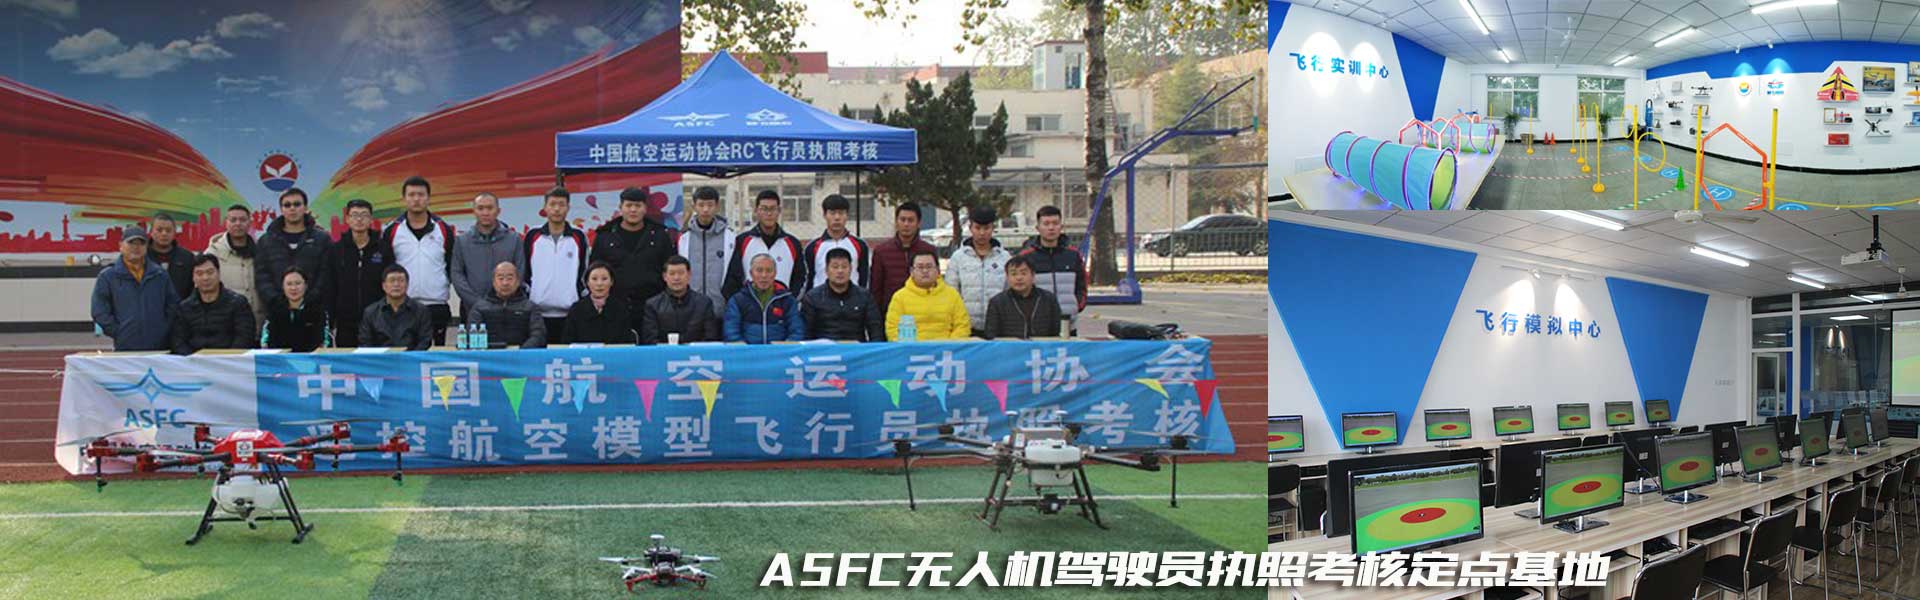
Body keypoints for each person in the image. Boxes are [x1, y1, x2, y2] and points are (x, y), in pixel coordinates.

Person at [381, 176, 457, 346]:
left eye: (421, 195)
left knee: (436, 354)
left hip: (436, 304)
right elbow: (387, 268)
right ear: (404, 198)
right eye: (411, 195)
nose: (416, 199)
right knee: (404, 352)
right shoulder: (392, 230)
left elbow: (452, 265)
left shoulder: (443, 229)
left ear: (429, 198)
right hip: (402, 304)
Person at [590, 186, 674, 336]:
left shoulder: (660, 235)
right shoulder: (605, 236)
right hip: (614, 308)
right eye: (629, 205)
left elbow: (669, 270)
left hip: (653, 309)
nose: (633, 210)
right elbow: (593, 271)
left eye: (638, 206)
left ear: (645, 208)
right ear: (620, 207)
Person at [91, 226, 177, 351]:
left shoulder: (160, 274)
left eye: (141, 243)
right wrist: (118, 332)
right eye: (131, 243)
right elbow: (99, 311)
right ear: (121, 245)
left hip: (158, 346)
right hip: (125, 346)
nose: (136, 247)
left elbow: (173, 305)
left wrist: (163, 329)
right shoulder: (108, 276)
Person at [322, 199, 393, 347]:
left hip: (378, 320)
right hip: (345, 321)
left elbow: (390, 284)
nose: (359, 219)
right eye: (354, 215)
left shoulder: (383, 249)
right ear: (347, 219)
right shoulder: (336, 250)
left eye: (364, 215)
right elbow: (330, 286)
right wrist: (331, 319)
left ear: (371, 219)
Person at [451, 192, 525, 323]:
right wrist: (477, 302)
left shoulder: (514, 239)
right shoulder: (462, 241)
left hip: (507, 309)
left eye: (490, 208)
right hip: (472, 310)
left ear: (498, 211)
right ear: (474, 211)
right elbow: (457, 275)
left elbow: (520, 272)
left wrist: (503, 300)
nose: (485, 213)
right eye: (480, 208)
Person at [525, 186, 588, 340]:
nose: (557, 209)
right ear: (545, 207)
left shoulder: (578, 236)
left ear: (568, 208)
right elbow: (525, 271)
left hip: (570, 312)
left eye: (561, 204)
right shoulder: (533, 236)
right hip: (537, 312)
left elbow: (584, 271)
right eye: (552, 204)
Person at [255, 188, 331, 313]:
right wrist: (276, 300)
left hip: (314, 310)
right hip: (277, 310)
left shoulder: (321, 239)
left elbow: (325, 273)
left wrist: (309, 300)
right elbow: (261, 276)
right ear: (281, 209)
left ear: (305, 208)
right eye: (287, 205)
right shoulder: (266, 240)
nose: (292, 208)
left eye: (297, 204)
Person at [721, 190, 804, 298]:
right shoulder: (742, 241)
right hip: (749, 306)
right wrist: (742, 304)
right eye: (764, 209)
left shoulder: (793, 243)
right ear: (756, 211)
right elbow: (733, 279)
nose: (769, 213)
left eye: (773, 209)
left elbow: (800, 278)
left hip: (782, 306)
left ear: (779, 211)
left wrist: (789, 301)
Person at [1018, 205, 1086, 334]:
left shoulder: (1073, 255)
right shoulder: (1026, 257)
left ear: (1061, 226)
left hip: (1067, 323)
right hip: (1036, 324)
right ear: (1038, 228)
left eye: (1055, 223)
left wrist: (1076, 306)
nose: (1051, 228)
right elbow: (1018, 288)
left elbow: (1082, 285)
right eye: (1046, 224)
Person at [943, 205, 1010, 336]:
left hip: (999, 326)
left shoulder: (1004, 257)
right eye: (977, 228)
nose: (982, 233)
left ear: (993, 228)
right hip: (966, 327)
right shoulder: (958, 257)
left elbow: (1009, 291)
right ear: (970, 228)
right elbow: (951, 291)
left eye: (986, 228)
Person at [169, 254, 255, 355]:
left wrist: (227, 358)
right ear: (193, 277)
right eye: (199, 273)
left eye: (210, 272)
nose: (205, 278)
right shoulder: (185, 308)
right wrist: (194, 359)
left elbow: (244, 337)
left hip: (230, 360)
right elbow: (178, 341)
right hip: (195, 361)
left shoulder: (238, 303)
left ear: (219, 273)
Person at [800, 248, 884, 342]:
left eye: (844, 267)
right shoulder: (813, 297)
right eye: (835, 267)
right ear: (826, 270)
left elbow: (875, 329)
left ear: (851, 269)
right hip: (825, 348)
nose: (840, 271)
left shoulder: (864, 296)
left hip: (856, 347)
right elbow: (806, 333)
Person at [884, 250, 969, 340]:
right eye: (920, 267)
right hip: (912, 347)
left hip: (947, 346)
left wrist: (949, 344)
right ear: (911, 271)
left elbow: (962, 325)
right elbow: (892, 329)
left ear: (938, 270)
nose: (925, 271)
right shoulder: (899, 297)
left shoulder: (952, 295)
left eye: (929, 266)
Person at [869, 202, 936, 311]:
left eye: (910, 220)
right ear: (896, 222)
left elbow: (935, 282)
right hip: (891, 311)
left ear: (918, 223)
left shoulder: (928, 250)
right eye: (902, 220)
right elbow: (876, 288)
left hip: (922, 310)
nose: (906, 224)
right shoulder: (881, 251)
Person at [205, 204, 265, 327]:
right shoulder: (212, 254)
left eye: (242, 220)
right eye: (233, 220)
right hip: (225, 326)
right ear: (226, 223)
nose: (238, 224)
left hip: (257, 324)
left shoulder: (261, 252)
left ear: (250, 223)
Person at [723, 254, 805, 344]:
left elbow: (797, 330)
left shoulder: (787, 300)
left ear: (775, 273)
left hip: (780, 350)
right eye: (759, 270)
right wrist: (744, 348)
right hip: (748, 350)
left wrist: (785, 347)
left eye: (769, 271)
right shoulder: (738, 300)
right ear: (751, 273)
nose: (764, 275)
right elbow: (731, 332)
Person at [675, 186, 731, 317]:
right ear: (694, 206)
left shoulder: (730, 238)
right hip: (689, 312)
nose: (705, 209)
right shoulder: (683, 238)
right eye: (701, 205)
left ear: (717, 206)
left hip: (720, 312)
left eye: (710, 205)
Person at [641, 256, 721, 344]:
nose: (676, 278)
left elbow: (710, 339)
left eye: (681, 273)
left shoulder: (704, 304)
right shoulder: (653, 305)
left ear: (689, 275)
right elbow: (650, 340)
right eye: (672, 273)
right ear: (664, 277)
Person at [982, 255, 1062, 340]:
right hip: (1009, 347)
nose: (1019, 278)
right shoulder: (997, 302)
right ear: (1007, 277)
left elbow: (1056, 332)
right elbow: (991, 335)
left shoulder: (1049, 299)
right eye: (1013, 274)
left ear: (1033, 275)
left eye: (1023, 273)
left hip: (1042, 347)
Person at [468, 262, 545, 349]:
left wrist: (520, 352)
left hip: (521, 354)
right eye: (500, 278)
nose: (505, 283)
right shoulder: (479, 308)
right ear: (493, 282)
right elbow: (472, 336)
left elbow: (538, 336)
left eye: (510, 278)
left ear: (518, 281)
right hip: (488, 355)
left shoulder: (530, 308)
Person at [802, 194, 870, 291]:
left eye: (841, 213)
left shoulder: (859, 245)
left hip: (853, 298)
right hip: (820, 298)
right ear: (824, 215)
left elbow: (864, 276)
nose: (837, 217)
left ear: (847, 215)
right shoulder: (812, 247)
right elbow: (808, 277)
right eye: (832, 213)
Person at [359, 265, 435, 350]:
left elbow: (425, 341)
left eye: (401, 281)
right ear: (384, 286)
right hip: (381, 358)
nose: (396, 284)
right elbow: (365, 343)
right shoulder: (371, 312)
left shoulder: (421, 311)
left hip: (411, 357)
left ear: (407, 285)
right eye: (392, 281)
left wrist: (408, 356)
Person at [561, 262, 635, 344]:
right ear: (587, 282)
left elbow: (626, 343)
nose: (599, 284)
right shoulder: (576, 309)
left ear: (611, 282)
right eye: (594, 279)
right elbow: (568, 342)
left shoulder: (621, 309)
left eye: (604, 279)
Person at [260, 267, 331, 352]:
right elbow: (266, 341)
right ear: (283, 286)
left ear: (305, 286)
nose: (293, 288)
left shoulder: (318, 310)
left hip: (310, 358)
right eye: (289, 284)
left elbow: (324, 341)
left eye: (298, 283)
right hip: (280, 358)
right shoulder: (274, 309)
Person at [145, 213, 194, 299]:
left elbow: (193, 290)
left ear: (174, 233)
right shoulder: (141, 257)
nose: (164, 234)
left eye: (168, 230)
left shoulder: (187, 258)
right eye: (159, 230)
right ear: (151, 232)